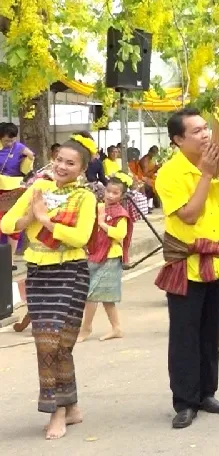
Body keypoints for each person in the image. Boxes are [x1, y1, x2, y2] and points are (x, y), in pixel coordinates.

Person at [152, 108, 219, 429]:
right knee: (184, 334)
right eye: (196, 131)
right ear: (178, 140)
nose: (206, 135)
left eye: (206, 129)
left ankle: (207, 393)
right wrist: (206, 174)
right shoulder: (168, 174)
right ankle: (185, 401)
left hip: (218, 261)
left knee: (211, 332)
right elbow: (189, 216)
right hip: (185, 264)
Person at [0, 134, 98, 440]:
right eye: (59, 160)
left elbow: (81, 238)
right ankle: (67, 406)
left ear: (82, 168)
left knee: (56, 343)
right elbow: (7, 225)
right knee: (50, 343)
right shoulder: (37, 189)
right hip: (39, 274)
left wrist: (47, 221)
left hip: (71, 272)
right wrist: (32, 213)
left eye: (71, 163)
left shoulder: (85, 197)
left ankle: (61, 409)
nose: (62, 166)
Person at [78, 173, 135, 342]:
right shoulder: (99, 207)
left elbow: (120, 234)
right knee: (106, 297)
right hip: (95, 253)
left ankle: (86, 329)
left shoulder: (120, 213)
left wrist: (103, 225)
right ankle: (116, 328)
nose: (110, 195)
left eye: (115, 193)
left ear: (122, 196)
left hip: (110, 256)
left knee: (92, 294)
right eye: (108, 191)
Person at [0, 122, 35, 256]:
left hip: (14, 190)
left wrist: (30, 157)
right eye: (6, 140)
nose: (10, 143)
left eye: (12, 139)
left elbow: (26, 168)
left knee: (13, 222)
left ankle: (10, 259)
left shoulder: (19, 147)